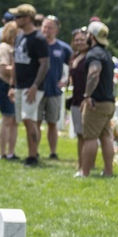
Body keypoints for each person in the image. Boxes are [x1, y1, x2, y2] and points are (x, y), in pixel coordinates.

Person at [11, 4, 49, 167]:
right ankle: (31, 154)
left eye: (17, 17)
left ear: (27, 18)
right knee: (25, 120)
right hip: (20, 85)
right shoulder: (19, 37)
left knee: (29, 118)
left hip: (32, 86)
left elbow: (45, 64)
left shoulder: (39, 39)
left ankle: (33, 156)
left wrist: (35, 85)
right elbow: (15, 62)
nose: (15, 20)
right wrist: (12, 86)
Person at [77, 21, 116, 178]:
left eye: (87, 34)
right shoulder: (106, 53)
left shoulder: (94, 54)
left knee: (90, 138)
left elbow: (94, 73)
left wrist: (87, 95)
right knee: (106, 136)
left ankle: (84, 172)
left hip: (96, 103)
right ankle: (108, 171)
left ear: (91, 36)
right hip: (109, 102)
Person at [40, 16, 72, 160]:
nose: (46, 30)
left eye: (50, 27)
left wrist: (66, 80)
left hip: (54, 91)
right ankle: (33, 152)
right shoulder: (36, 44)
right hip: (37, 90)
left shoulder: (63, 48)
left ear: (56, 30)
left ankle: (53, 152)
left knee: (53, 123)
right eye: (44, 27)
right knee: (36, 122)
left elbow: (73, 66)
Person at [0, 21, 19, 160]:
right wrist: (20, 69)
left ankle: (11, 152)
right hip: (5, 84)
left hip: (14, 85)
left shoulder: (16, 48)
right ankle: (2, 153)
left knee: (15, 120)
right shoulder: (3, 48)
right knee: (7, 119)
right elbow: (4, 68)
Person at [67, 27, 90, 170]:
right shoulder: (75, 56)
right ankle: (80, 164)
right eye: (76, 40)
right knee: (79, 134)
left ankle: (86, 165)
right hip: (75, 99)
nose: (79, 42)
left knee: (87, 135)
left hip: (85, 100)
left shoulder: (90, 57)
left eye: (82, 39)